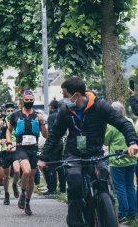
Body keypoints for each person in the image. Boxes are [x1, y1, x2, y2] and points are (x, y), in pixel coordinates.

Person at [38, 77, 138, 227]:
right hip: (73, 154)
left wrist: (132, 142)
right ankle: (76, 223)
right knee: (75, 182)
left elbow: (123, 123)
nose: (63, 98)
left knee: (104, 180)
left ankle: (109, 212)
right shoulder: (65, 111)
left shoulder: (100, 106)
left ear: (76, 95)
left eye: (65, 95)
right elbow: (54, 135)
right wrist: (43, 158)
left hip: (96, 153)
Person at [6, 90, 48, 215]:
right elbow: (9, 130)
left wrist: (42, 123)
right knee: (27, 171)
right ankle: (23, 192)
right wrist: (8, 141)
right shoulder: (15, 115)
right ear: (23, 100)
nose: (29, 102)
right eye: (27, 100)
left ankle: (27, 203)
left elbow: (45, 135)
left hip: (33, 148)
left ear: (33, 100)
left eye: (31, 100)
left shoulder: (38, 115)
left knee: (31, 179)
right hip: (21, 148)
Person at [104, 101, 137, 224]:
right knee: (130, 187)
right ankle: (133, 213)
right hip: (131, 158)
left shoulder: (112, 125)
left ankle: (123, 213)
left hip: (118, 161)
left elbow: (106, 141)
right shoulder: (129, 121)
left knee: (120, 188)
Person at [0, 102, 18, 205]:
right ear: (5, 112)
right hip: (5, 150)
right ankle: (6, 194)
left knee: (17, 170)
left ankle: (14, 184)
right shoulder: (2, 122)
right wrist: (0, 141)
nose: (10, 112)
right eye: (8, 111)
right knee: (5, 176)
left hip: (16, 149)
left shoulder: (18, 120)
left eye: (12, 111)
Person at [43, 99, 66, 195]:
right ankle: (62, 188)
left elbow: (52, 132)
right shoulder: (61, 115)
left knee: (50, 165)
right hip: (61, 142)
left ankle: (52, 189)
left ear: (51, 107)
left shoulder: (51, 116)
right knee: (60, 165)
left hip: (53, 143)